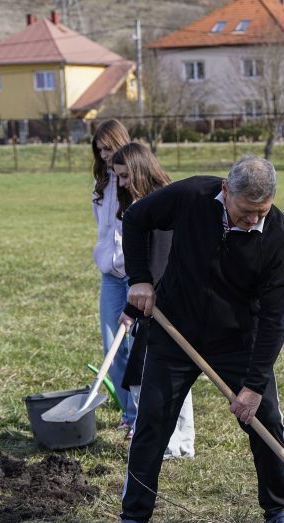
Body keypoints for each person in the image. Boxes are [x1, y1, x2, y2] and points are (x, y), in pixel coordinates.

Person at [107, 156, 284, 523]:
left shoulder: (277, 235)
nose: (253, 220)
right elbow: (135, 219)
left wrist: (252, 386)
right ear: (226, 192)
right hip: (175, 330)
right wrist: (141, 279)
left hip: (238, 339)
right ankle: (133, 519)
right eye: (247, 212)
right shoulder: (193, 195)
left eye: (261, 212)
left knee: (265, 418)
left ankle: (278, 511)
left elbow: (274, 318)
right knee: (152, 420)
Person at [112, 143, 195, 460]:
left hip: (170, 302)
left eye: (124, 176)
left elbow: (159, 262)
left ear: (139, 170)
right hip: (155, 301)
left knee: (171, 375)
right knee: (157, 374)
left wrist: (133, 309)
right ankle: (172, 443)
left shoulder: (162, 203)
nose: (120, 183)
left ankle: (179, 444)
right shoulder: (144, 202)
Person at [90, 119, 136, 434]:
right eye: (100, 150)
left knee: (135, 346)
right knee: (112, 346)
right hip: (111, 276)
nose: (105, 155)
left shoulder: (133, 179)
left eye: (109, 147)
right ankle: (129, 413)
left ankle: (141, 415)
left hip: (136, 277)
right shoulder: (102, 183)